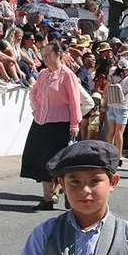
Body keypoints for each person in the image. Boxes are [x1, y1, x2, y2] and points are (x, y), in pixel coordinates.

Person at [21, 40, 83, 211]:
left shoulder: (67, 75)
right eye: (43, 55)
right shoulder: (43, 74)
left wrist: (74, 123)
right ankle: (47, 199)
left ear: (57, 55)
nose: (44, 58)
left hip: (61, 123)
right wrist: (37, 108)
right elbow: (34, 92)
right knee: (43, 163)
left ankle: (68, 195)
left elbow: (74, 101)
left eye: (47, 55)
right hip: (42, 122)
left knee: (61, 164)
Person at [104, 58, 128, 159]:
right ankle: (119, 154)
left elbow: (107, 88)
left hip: (111, 104)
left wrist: (105, 103)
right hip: (122, 106)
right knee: (119, 132)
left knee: (111, 131)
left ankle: (109, 153)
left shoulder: (112, 73)